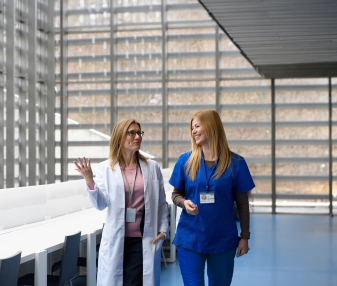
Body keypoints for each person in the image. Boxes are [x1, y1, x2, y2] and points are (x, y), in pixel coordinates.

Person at [74, 119, 169, 286]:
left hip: (143, 240)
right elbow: (100, 204)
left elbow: (161, 203)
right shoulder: (106, 168)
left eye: (139, 132)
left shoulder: (152, 167)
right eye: (131, 132)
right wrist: (90, 181)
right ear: (119, 137)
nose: (137, 136)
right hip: (117, 240)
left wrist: (163, 230)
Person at [170, 110, 254, 286]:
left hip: (222, 240)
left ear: (212, 126)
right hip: (190, 237)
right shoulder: (185, 160)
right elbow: (176, 195)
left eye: (197, 126)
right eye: (192, 127)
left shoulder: (236, 163)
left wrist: (244, 236)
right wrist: (184, 203)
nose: (193, 131)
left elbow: (242, 203)